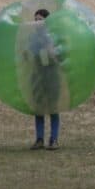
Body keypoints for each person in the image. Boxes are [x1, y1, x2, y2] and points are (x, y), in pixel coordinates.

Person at [28, 9, 60, 150]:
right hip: (38, 75)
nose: (37, 22)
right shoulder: (33, 37)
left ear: (47, 21)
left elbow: (55, 57)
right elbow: (30, 55)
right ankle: (39, 139)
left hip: (51, 75)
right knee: (38, 109)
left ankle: (54, 140)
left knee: (53, 108)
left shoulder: (53, 36)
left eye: (40, 19)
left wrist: (46, 44)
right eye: (35, 20)